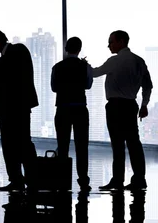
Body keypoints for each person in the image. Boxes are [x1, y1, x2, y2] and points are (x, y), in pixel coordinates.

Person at [92, 30, 152, 191]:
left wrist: (84, 66)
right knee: (134, 144)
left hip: (115, 106)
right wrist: (144, 104)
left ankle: (117, 180)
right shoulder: (139, 61)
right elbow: (148, 85)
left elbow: (96, 73)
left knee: (117, 145)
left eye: (111, 42)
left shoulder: (114, 60)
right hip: (131, 106)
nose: (109, 45)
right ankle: (139, 179)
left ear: (121, 41)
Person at [0, 28, 38, 192]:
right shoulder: (8, 57)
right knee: (16, 143)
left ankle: (22, 179)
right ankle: (23, 179)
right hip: (15, 106)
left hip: (15, 106)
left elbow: (1, 79)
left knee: (16, 143)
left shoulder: (16, 51)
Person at [51, 36, 93, 191]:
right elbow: (88, 85)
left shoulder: (57, 67)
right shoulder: (85, 67)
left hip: (62, 108)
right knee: (82, 146)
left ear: (66, 49)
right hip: (80, 108)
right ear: (79, 49)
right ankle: (83, 180)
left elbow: (54, 88)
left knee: (63, 146)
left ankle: (62, 180)